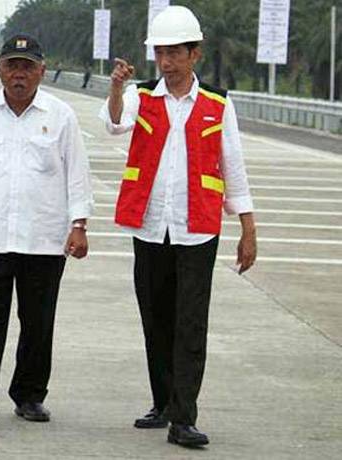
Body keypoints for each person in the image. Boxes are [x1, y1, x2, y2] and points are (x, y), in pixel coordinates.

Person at [99, 6, 257, 448]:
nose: (166, 62)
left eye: (174, 53)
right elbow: (114, 125)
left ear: (195, 54)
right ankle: (163, 401)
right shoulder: (141, 96)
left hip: (198, 228)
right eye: (160, 53)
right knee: (156, 318)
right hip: (149, 226)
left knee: (190, 323)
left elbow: (235, 168)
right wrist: (115, 89)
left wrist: (248, 227)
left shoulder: (218, 105)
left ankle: (183, 417)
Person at [0, 33, 94, 425]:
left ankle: (29, 395)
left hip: (43, 240)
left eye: (27, 67)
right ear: (0, 71)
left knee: (38, 324)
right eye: (12, 66)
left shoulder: (61, 116)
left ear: (41, 71)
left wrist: (79, 226)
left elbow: (78, 177)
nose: (19, 74)